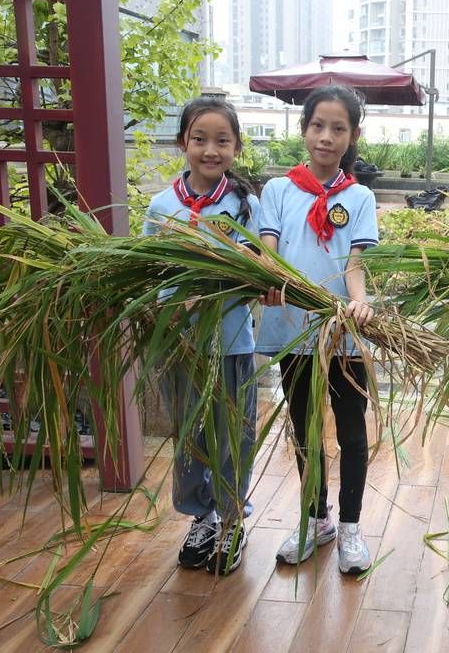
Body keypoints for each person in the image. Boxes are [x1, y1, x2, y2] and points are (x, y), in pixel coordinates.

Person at [257, 85, 378, 575]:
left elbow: (354, 263)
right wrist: (265, 278)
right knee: (305, 430)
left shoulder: (360, 196)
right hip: (294, 331)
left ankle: (349, 527)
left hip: (344, 333)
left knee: (351, 430)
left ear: (353, 136)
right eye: (317, 126)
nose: (326, 137)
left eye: (339, 128)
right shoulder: (278, 190)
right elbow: (267, 250)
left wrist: (360, 303)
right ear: (303, 129)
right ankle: (316, 521)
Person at [143, 96, 260, 576]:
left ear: (236, 147)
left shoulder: (244, 204)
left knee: (233, 435)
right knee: (190, 435)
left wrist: (214, 284)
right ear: (182, 143)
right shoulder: (162, 204)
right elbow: (148, 269)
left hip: (231, 343)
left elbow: (257, 272)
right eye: (199, 139)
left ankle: (232, 520)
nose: (210, 150)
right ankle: (201, 517)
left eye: (222, 140)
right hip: (181, 345)